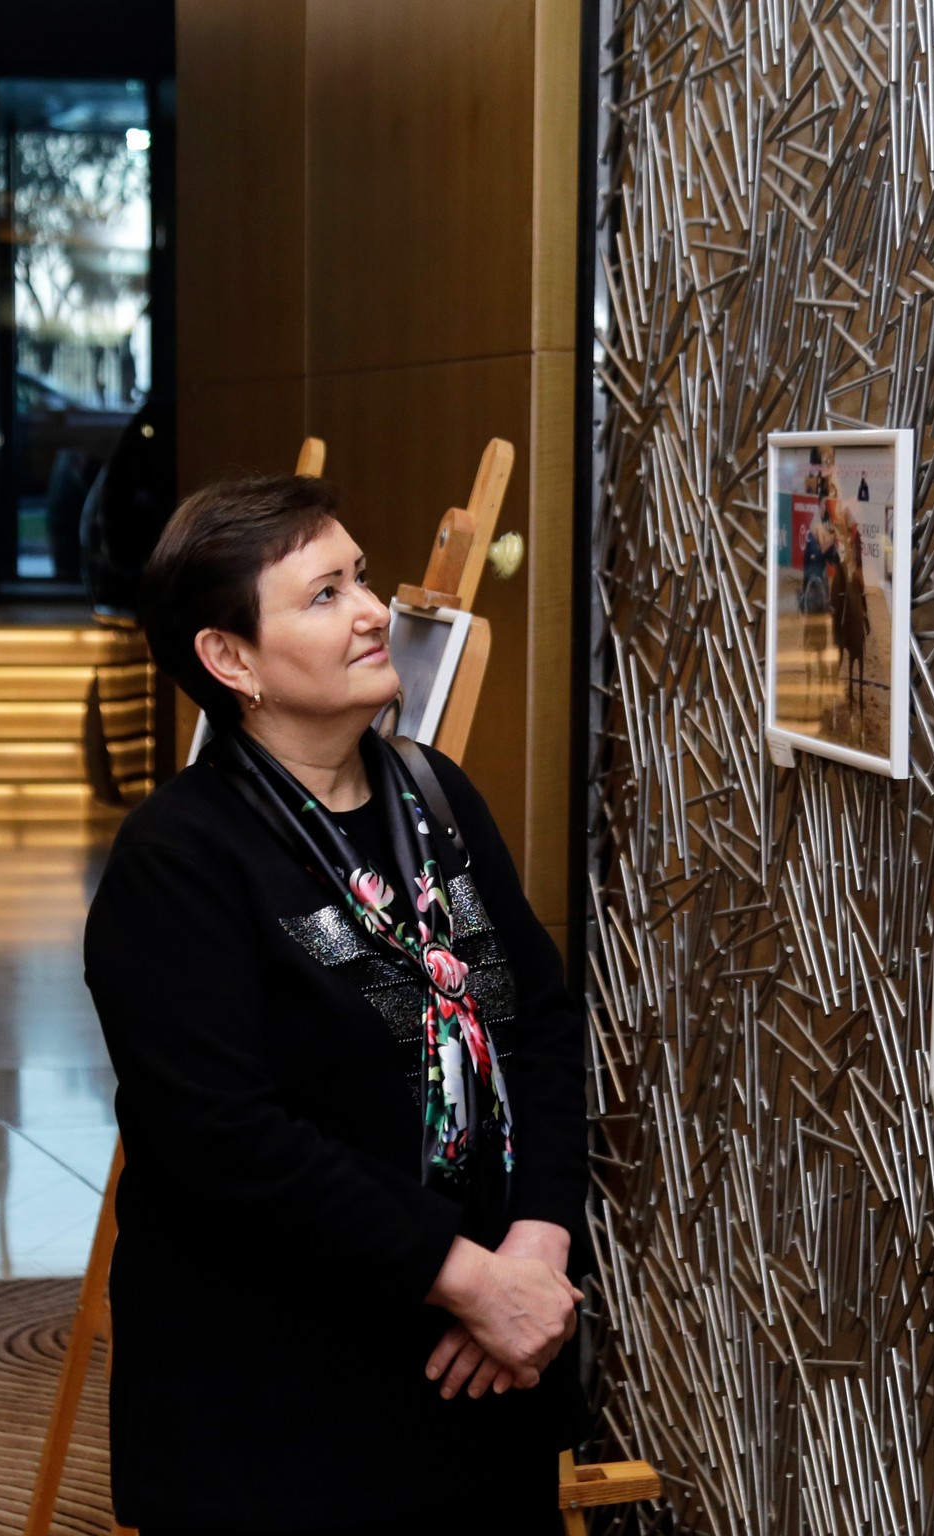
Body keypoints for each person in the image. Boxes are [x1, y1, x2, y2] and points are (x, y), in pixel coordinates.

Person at [84, 477, 590, 1535]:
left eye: (360, 578)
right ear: (231, 661)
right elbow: (226, 1139)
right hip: (281, 1412)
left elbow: (536, 1022)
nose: (373, 612)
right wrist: (463, 1277)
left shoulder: (437, 796)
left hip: (480, 1378)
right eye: (324, 595)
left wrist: (533, 1251)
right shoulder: (179, 859)